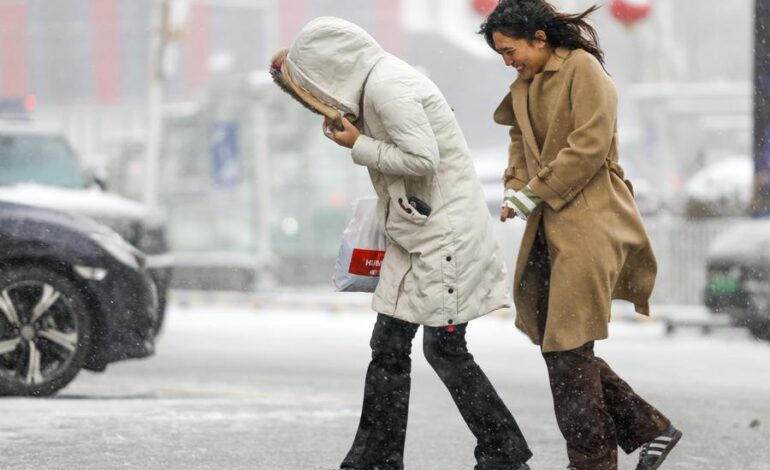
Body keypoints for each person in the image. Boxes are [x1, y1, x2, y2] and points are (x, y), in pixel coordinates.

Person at [270, 16, 532, 470]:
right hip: (419, 237)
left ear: (330, 72)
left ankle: (501, 453)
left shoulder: (386, 89)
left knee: (441, 349)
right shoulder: (379, 82)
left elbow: (422, 159)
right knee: (392, 346)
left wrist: (359, 144)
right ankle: (381, 458)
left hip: (443, 240)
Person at [479, 1, 682, 470]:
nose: (508, 62)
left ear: (539, 37)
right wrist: (514, 187)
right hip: (548, 228)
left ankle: (593, 461)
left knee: (567, 349)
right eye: (501, 55)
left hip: (590, 221)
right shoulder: (524, 85)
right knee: (561, 348)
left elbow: (589, 146)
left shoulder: (583, 70)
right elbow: (518, 140)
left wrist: (533, 192)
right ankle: (650, 430)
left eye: (510, 51)